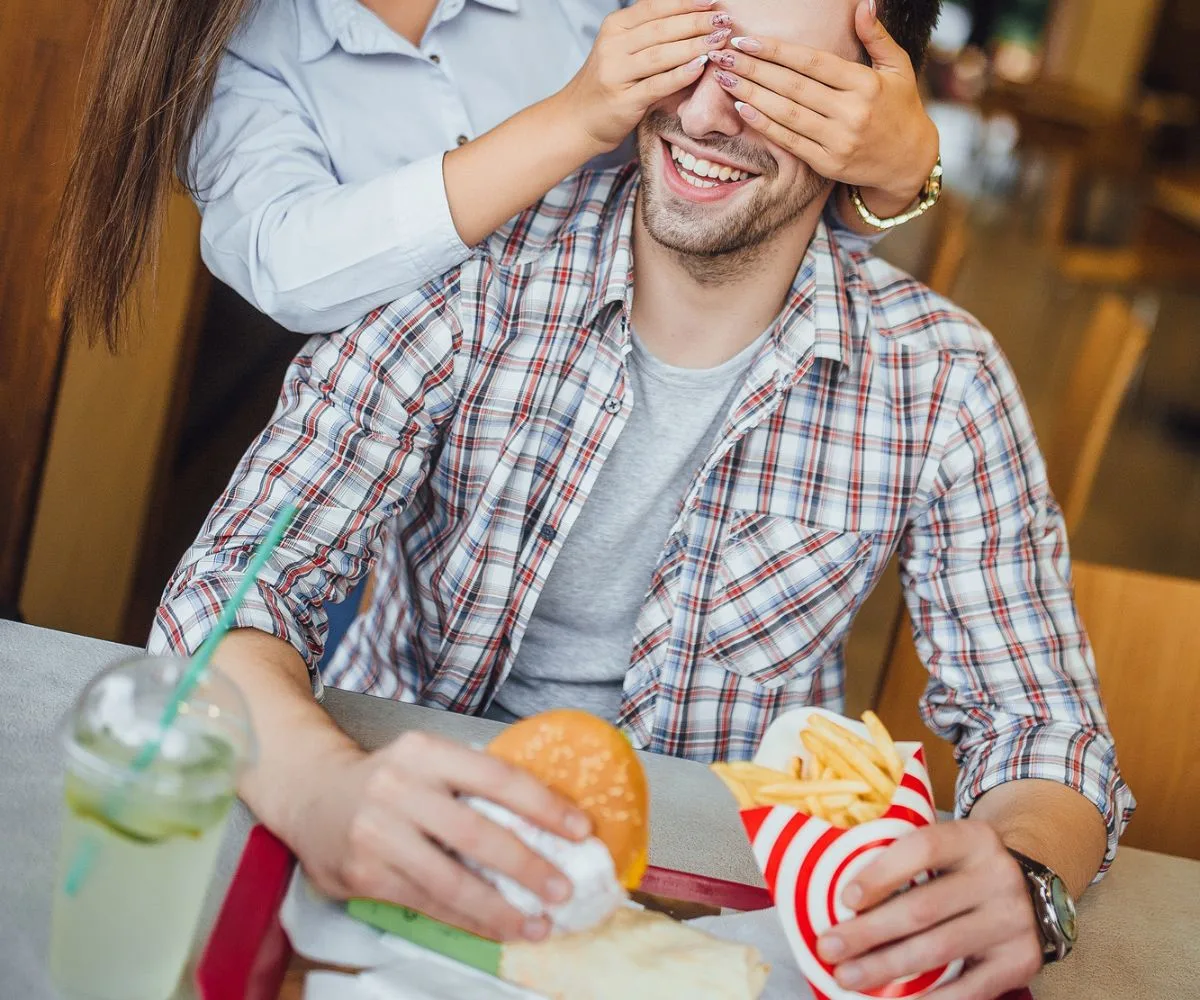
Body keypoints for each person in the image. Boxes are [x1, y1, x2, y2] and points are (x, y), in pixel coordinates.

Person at [151, 0, 1134, 995]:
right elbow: (227, 590)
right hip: (402, 875)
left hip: (729, 921)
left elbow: (1044, 727)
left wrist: (1028, 872)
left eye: (782, 86)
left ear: (866, 117)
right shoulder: (471, 276)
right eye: (695, 55)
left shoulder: (941, 376)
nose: (711, 114)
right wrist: (319, 786)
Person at [51, 0, 940, 348]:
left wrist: (902, 172)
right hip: (390, 455)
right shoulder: (242, 55)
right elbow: (289, 265)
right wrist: (572, 117)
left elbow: (742, 173)